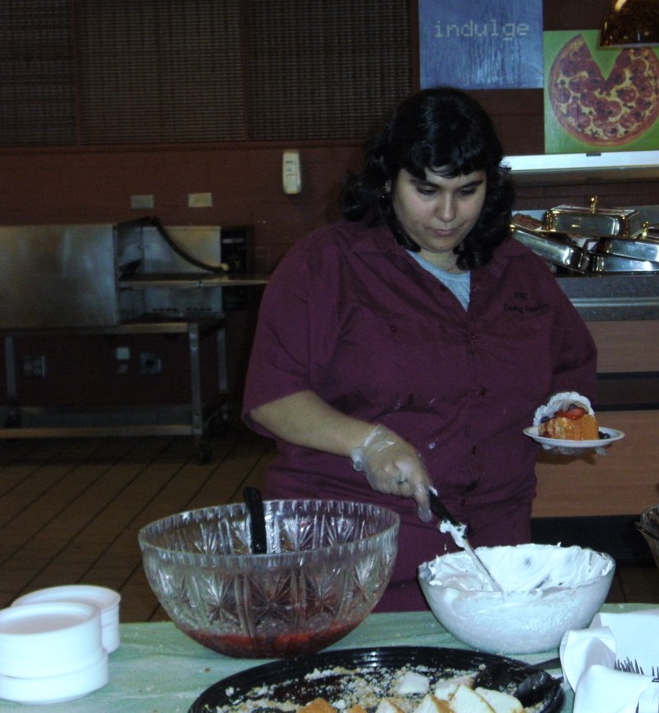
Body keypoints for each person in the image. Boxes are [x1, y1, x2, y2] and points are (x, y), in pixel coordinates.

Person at [242, 87, 598, 611]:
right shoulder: (326, 265)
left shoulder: (518, 271)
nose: (447, 214)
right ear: (388, 180)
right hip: (356, 552)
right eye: (426, 190)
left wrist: (566, 414)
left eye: (467, 190)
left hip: (493, 551)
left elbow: (569, 367)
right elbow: (273, 397)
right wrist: (371, 443)